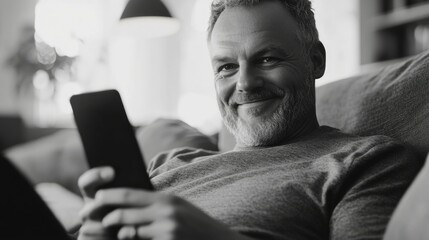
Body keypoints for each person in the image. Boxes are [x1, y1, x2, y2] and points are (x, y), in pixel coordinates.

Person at [1, 1, 421, 240]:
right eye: (225, 67)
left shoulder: (365, 161)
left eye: (268, 58)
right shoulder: (172, 163)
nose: (245, 83)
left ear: (315, 60)